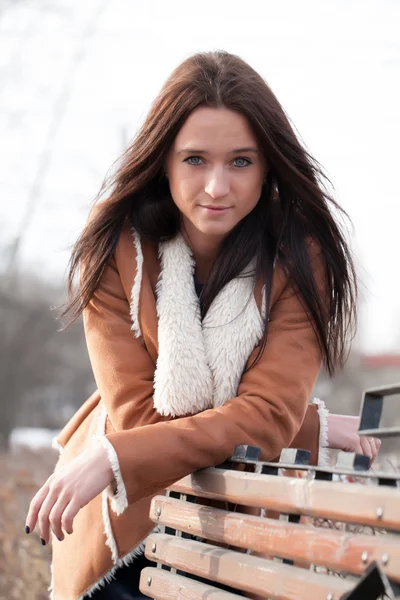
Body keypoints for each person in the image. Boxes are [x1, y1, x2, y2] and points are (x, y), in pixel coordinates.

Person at [25, 51, 380, 600]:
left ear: (268, 167)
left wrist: (115, 455)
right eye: (195, 160)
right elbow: (142, 417)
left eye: (241, 162)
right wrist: (300, 424)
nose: (216, 187)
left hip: (232, 526)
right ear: (163, 160)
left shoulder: (298, 254)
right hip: (126, 532)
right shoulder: (117, 245)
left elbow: (262, 421)